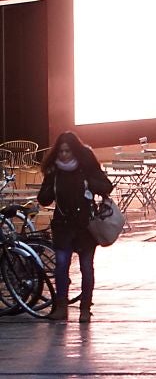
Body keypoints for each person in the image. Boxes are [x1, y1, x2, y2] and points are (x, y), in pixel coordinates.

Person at [36, 130, 113, 322]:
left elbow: (106, 186)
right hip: (63, 225)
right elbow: (44, 199)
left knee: (86, 267)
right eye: (61, 151)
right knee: (61, 265)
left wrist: (90, 183)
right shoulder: (55, 171)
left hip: (85, 225)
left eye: (67, 151)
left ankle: (85, 307)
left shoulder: (86, 166)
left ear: (75, 151)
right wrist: (49, 183)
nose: (63, 155)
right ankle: (61, 305)